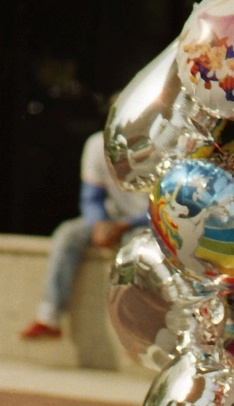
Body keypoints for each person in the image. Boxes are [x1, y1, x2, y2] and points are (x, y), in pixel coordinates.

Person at [21, 127, 150, 339]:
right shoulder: (97, 145)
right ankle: (50, 317)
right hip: (112, 217)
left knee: (135, 247)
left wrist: (125, 225)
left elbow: (166, 205)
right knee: (67, 234)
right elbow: (92, 197)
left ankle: (137, 332)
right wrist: (98, 223)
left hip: (145, 224)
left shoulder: (159, 145)